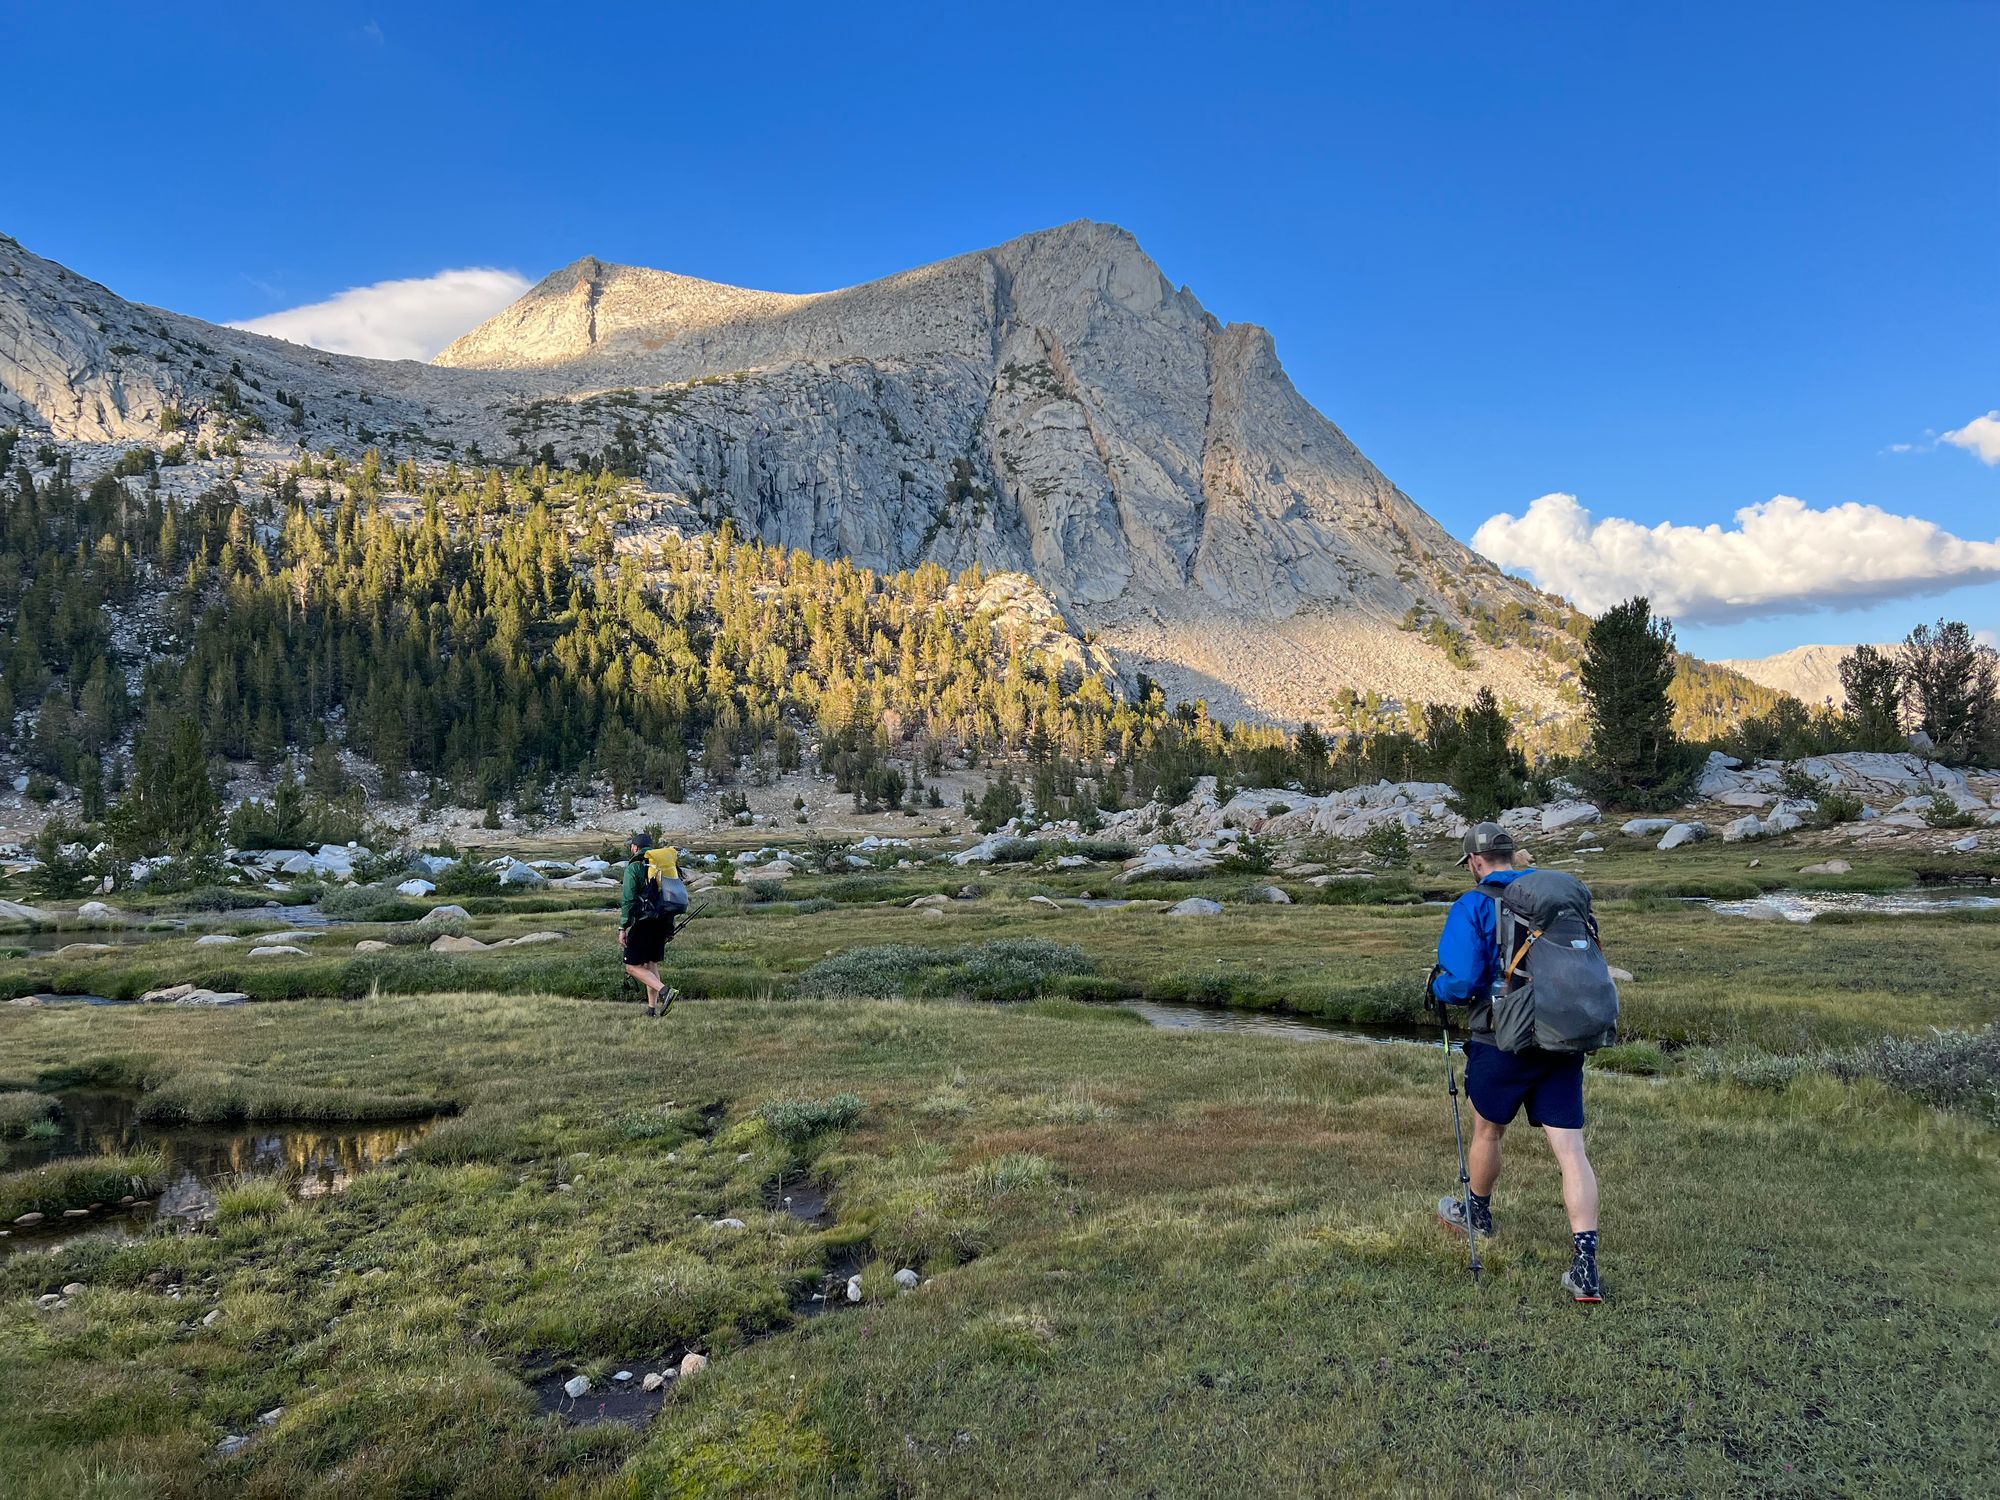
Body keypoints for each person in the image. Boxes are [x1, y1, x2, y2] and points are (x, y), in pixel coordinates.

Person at [1430, 821, 1603, 1302]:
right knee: (1572, 1152)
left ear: (1475, 862)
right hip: (1561, 1034)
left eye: (1468, 863)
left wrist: (1436, 988)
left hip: (1500, 1039)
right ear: (1513, 855)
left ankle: (1477, 1212)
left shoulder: (1474, 904)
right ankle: (1585, 1264)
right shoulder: (1553, 898)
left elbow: (1461, 981)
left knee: (1488, 1130)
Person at [618, 833, 681, 1017]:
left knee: (632, 967)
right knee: (650, 963)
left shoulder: (635, 867)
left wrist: (623, 927)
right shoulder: (662, 865)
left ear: (634, 848)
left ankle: (665, 991)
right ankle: (652, 1010)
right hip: (663, 920)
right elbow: (671, 896)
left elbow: (628, 899)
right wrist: (670, 927)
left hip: (645, 920)